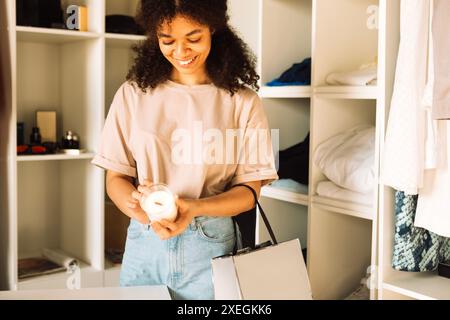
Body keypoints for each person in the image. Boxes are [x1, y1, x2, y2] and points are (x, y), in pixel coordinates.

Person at [92, 0, 278, 300]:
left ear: (214, 29)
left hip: (211, 246)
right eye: (168, 41)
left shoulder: (243, 102)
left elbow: (250, 192)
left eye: (193, 38)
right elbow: (115, 179)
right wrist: (140, 207)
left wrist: (193, 209)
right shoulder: (132, 95)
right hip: (145, 244)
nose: (180, 52)